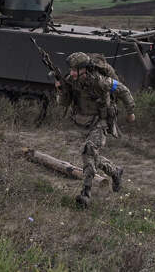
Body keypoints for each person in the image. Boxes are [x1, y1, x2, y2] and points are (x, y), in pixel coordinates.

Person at [55, 52, 136, 208]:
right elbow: (63, 103)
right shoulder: (71, 80)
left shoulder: (101, 81)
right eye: (71, 70)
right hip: (84, 122)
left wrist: (130, 112)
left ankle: (85, 193)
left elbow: (123, 90)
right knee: (92, 155)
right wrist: (61, 90)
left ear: (84, 69)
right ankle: (115, 171)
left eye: (75, 70)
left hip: (101, 121)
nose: (72, 73)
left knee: (88, 151)